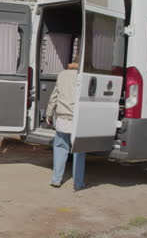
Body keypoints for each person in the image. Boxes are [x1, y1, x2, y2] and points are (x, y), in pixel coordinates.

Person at [45, 52, 86, 191]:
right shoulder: (84, 77)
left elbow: (54, 96)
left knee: (60, 148)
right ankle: (78, 183)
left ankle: (56, 179)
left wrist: (49, 114)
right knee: (79, 152)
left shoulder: (62, 74)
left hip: (62, 118)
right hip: (78, 119)